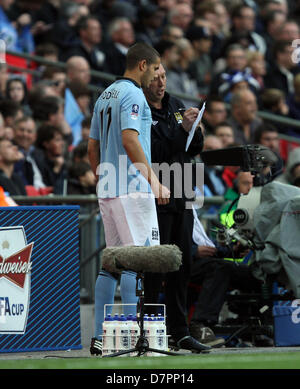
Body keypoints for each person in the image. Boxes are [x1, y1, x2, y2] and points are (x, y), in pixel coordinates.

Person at [88, 42, 171, 356]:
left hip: (108, 189)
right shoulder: (134, 94)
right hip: (132, 188)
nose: (154, 77)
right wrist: (155, 182)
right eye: (154, 70)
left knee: (111, 263)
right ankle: (136, 340)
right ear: (142, 65)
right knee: (135, 262)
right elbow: (130, 138)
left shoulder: (104, 95)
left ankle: (100, 337)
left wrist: (104, 177)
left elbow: (92, 149)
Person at [143, 63, 211, 352]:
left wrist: (195, 130)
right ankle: (151, 332)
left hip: (182, 191)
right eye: (156, 78)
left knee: (181, 266)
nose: (161, 83)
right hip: (156, 195)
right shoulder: (142, 111)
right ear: (144, 80)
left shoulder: (175, 104)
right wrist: (183, 130)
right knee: (157, 268)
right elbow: (153, 152)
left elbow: (192, 148)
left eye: (164, 77)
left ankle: (180, 331)